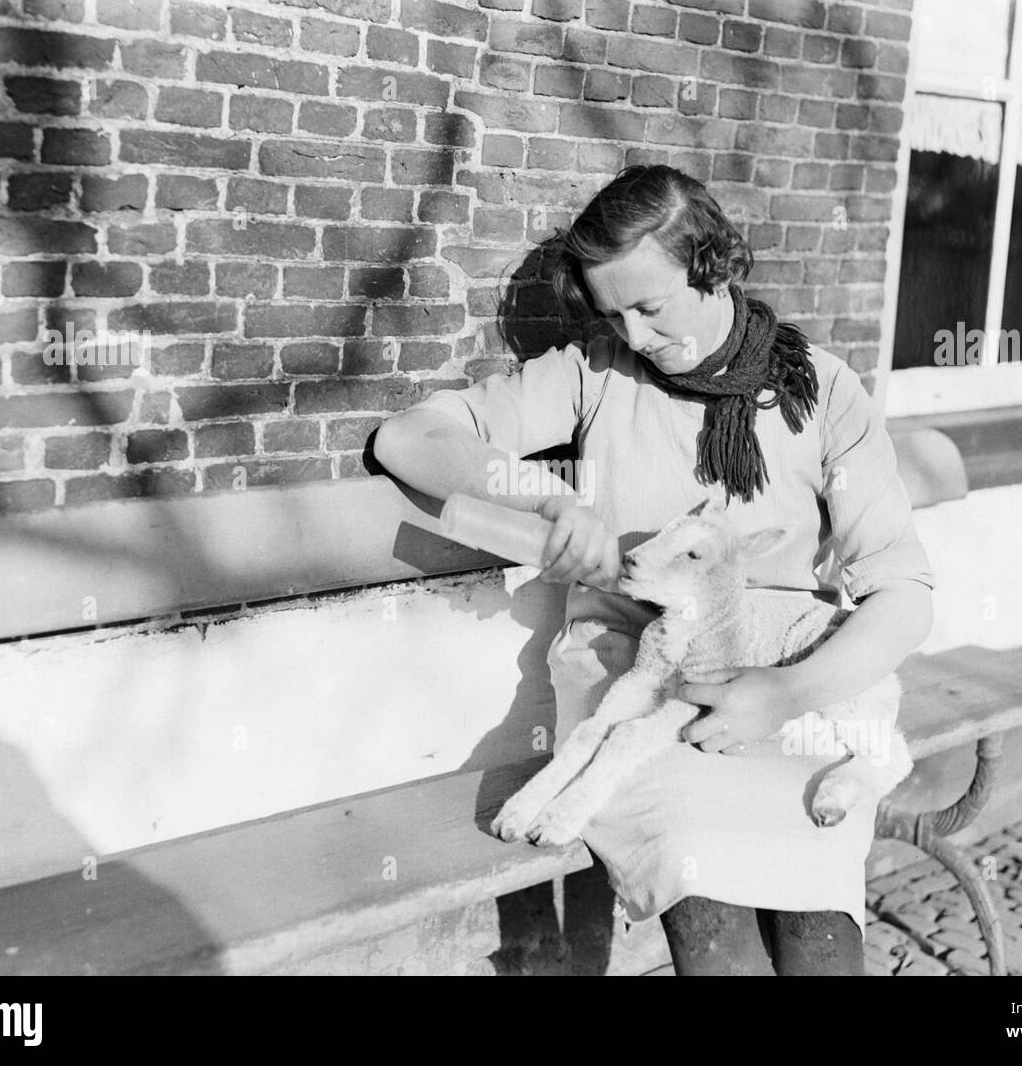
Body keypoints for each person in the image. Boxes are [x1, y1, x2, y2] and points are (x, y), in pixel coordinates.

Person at [374, 164, 935, 976]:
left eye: (649, 306)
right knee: (711, 909)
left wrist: (782, 695)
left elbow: (903, 597)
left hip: (787, 676)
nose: (634, 337)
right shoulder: (595, 372)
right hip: (634, 682)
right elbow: (409, 440)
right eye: (614, 313)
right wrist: (547, 500)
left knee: (818, 936)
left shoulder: (824, 394)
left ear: (713, 268)